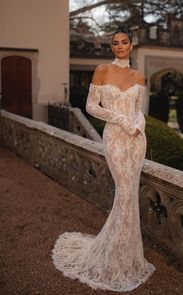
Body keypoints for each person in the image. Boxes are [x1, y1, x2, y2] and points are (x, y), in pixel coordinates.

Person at [52, 27, 155, 292]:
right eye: (115, 43)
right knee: (124, 191)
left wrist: (138, 124)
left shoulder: (139, 76)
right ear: (112, 47)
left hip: (136, 139)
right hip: (114, 138)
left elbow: (139, 110)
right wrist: (121, 119)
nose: (119, 46)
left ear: (132, 45)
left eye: (124, 42)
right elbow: (90, 106)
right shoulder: (102, 70)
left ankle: (128, 257)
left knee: (130, 193)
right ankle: (112, 258)